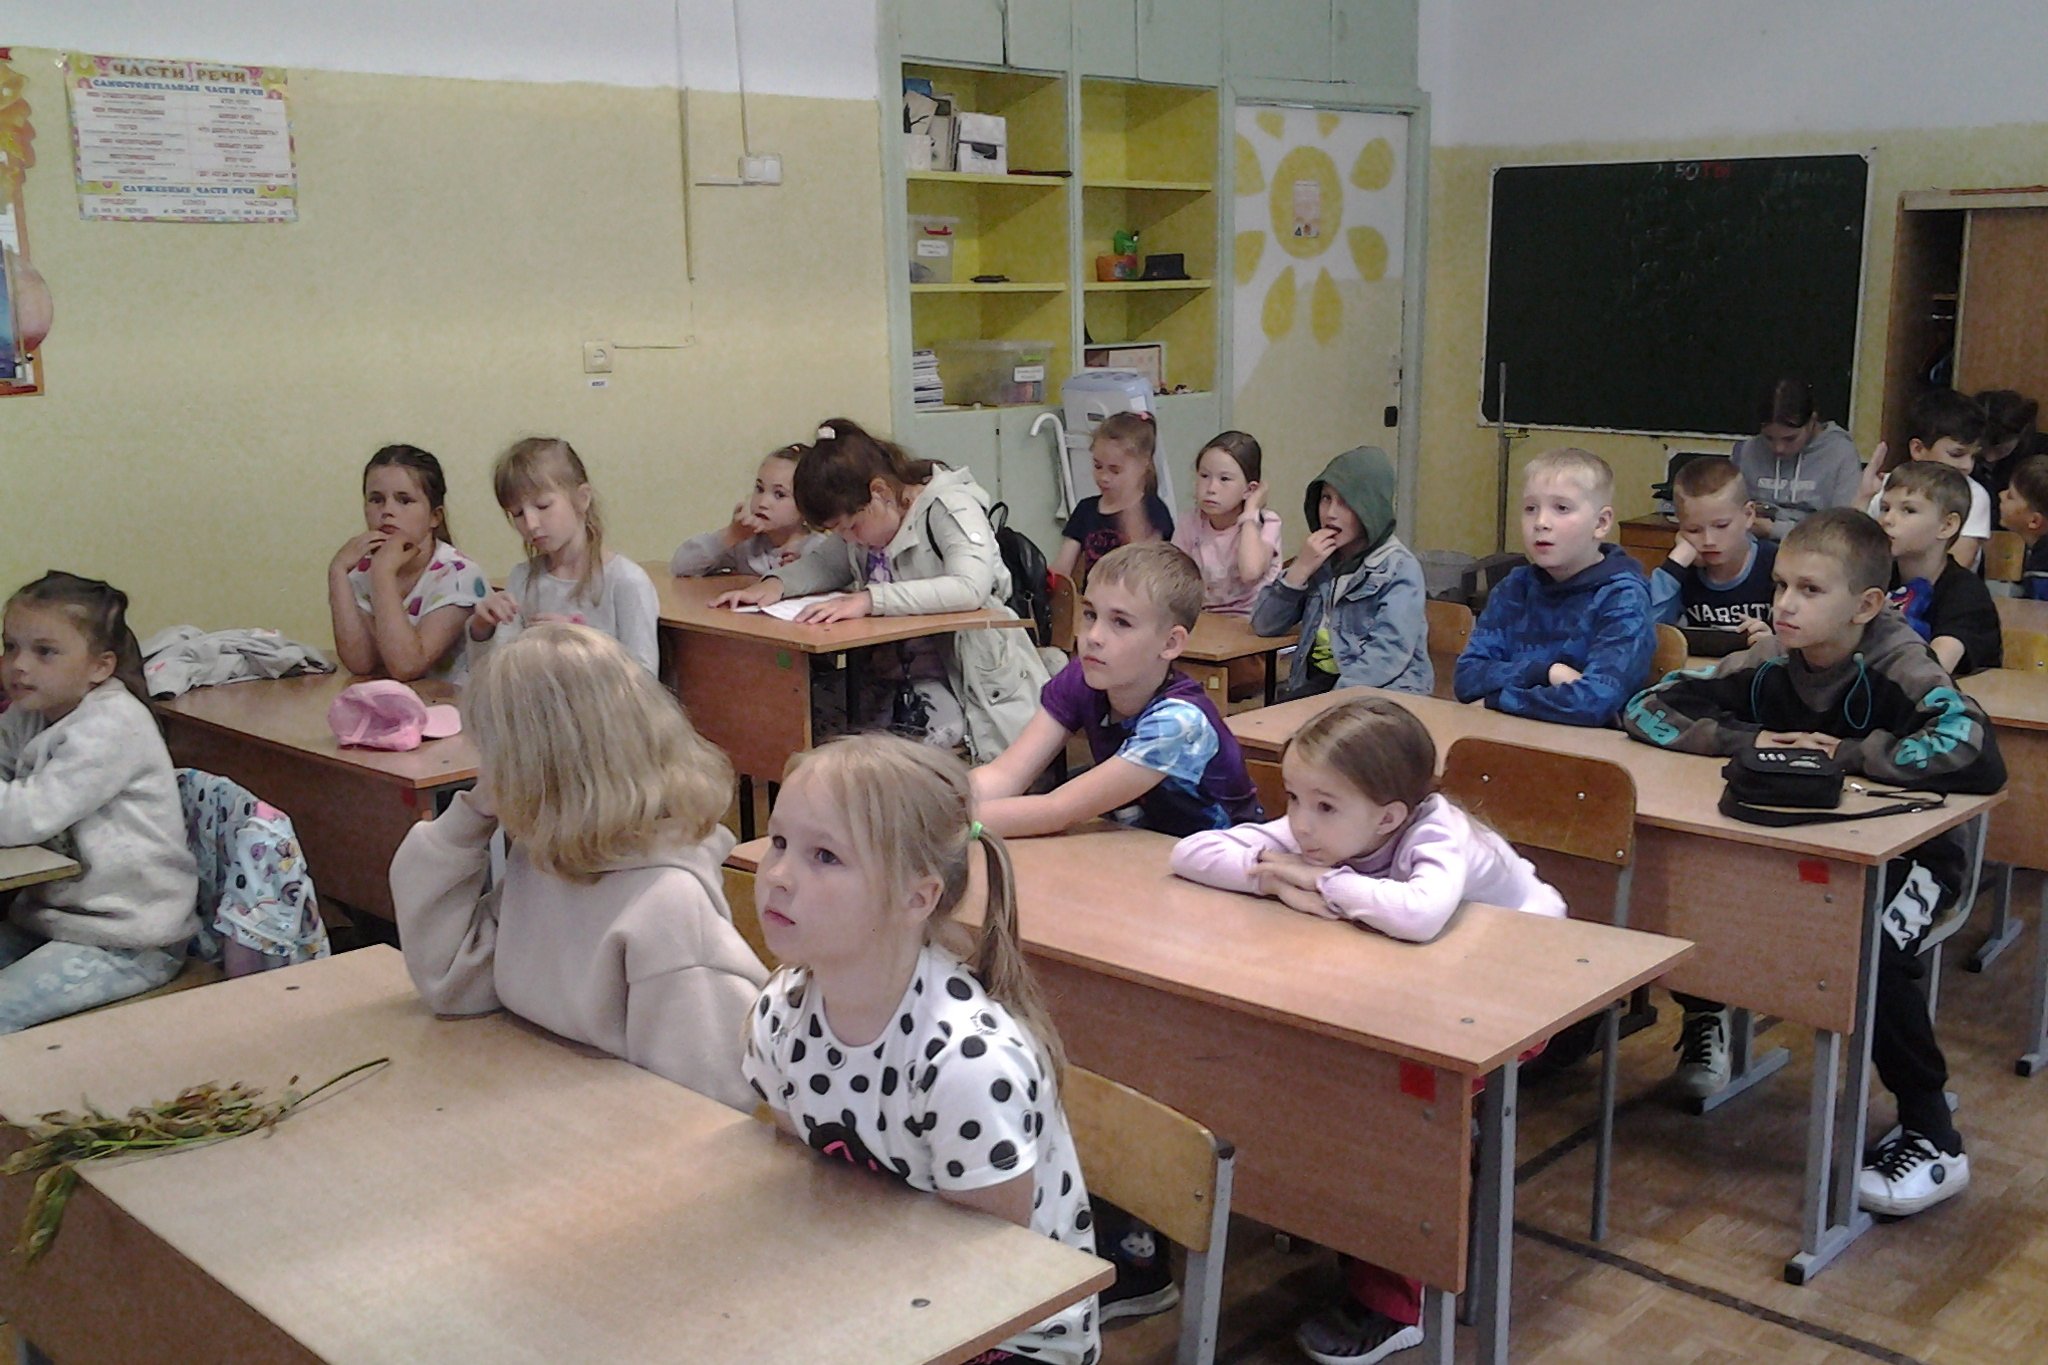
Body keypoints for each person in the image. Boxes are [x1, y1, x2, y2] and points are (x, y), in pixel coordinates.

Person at [1624, 508, 2003, 1214]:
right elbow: (1648, 705)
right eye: (1780, 586)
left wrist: (1851, 754)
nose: (1785, 606)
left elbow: (1976, 750)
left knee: (1871, 948)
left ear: (1865, 604)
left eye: (1809, 590)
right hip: (1806, 845)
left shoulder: (1900, 662)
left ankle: (1934, 1136)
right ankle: (1707, 1016)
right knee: (1699, 882)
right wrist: (1749, 739)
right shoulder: (1772, 659)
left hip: (1918, 859)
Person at [1170, 696, 1563, 1365]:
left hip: (1525, 985)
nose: (1300, 821)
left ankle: (1397, 1301)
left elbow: (1417, 914)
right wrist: (1275, 883)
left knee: (1399, 1108)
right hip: (1429, 981)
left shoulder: (1439, 831)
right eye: (1294, 798)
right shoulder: (1333, 821)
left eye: (1322, 806)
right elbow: (1192, 852)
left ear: (1389, 817)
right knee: (1324, 1068)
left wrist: (1320, 881)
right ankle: (1337, 1206)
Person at [742, 734, 1098, 1365]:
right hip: (869, 1278)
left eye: (824, 856)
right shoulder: (781, 1011)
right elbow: (812, 1183)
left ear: (918, 897)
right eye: (778, 842)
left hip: (1006, 1335)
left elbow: (989, 1263)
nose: (777, 875)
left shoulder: (966, 1064)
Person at [390, 624, 766, 1109]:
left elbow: (708, 1108)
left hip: (613, 1142)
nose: (483, 771)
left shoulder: (668, 911)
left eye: (493, 757)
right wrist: (470, 817)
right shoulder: (551, 858)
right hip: (544, 1110)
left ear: (538, 771)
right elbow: (452, 985)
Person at [712, 420, 1049, 762]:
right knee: (803, 715)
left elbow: (969, 587)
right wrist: (775, 585)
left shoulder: (949, 506)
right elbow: (825, 564)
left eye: (852, 527)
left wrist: (870, 599)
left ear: (880, 493)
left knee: (891, 751)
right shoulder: (864, 525)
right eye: (839, 533)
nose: (850, 539)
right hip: (895, 674)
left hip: (970, 679)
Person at [0, 572, 197, 1032]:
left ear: (100, 667)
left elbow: (23, 816)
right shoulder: (30, 713)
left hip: (126, 940)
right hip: (49, 921)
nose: (18, 665)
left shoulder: (111, 726)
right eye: (10, 646)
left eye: (44, 651)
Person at [972, 542, 1261, 839]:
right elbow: (1005, 774)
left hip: (1221, 861)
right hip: (1134, 848)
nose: (1093, 637)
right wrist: (946, 799)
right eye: (1090, 614)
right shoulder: (1084, 676)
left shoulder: (1180, 721)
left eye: (1121, 622)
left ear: (1170, 643)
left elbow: (1057, 809)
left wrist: (948, 821)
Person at [1454, 448, 1653, 725]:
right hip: (1508, 732)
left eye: (1561, 508)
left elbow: (1596, 702)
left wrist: (1497, 700)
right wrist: (1546, 672)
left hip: (1587, 746)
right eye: (1530, 508)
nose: (1541, 523)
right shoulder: (1514, 588)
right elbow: (1467, 678)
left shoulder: (1623, 598)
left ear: (1601, 523)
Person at [1253, 445, 1430, 698]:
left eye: (1345, 502)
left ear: (1370, 509)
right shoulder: (1319, 558)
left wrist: (1333, 701)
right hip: (1320, 684)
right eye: (1326, 498)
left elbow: (1387, 655)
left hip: (1382, 693)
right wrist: (1300, 570)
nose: (1330, 514)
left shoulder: (1399, 568)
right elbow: (1264, 625)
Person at [471, 437, 659, 673]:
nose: (531, 524)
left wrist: (579, 647)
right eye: (517, 513)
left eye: (543, 506)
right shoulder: (522, 578)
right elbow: (496, 675)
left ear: (582, 499)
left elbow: (644, 678)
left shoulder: (626, 581)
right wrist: (483, 630)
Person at [327, 444, 488, 683]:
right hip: (398, 701)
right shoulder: (361, 571)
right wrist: (337, 572)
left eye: (404, 500)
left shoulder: (458, 575)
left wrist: (383, 574)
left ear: (434, 516)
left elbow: (407, 666)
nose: (387, 511)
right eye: (376, 500)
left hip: (452, 701)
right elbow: (360, 663)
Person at [1879, 462, 2000, 676]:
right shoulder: (1877, 577)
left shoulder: (1966, 593)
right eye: (1885, 508)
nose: (1887, 519)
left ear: (1947, 526)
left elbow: (1931, 670)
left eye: (1908, 510)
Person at [1858, 388, 1993, 570]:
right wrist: (1864, 496)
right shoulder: (1887, 486)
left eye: (1974, 456)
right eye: (1956, 454)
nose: (1967, 465)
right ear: (1918, 449)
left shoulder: (1974, 494)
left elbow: (1958, 563)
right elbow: (1848, 556)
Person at [1647, 456, 1775, 645]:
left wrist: (1776, 644)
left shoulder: (1776, 564)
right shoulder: (1680, 573)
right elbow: (1644, 632)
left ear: (1748, 515)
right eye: (1693, 530)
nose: (1709, 541)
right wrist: (1675, 565)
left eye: (1721, 526)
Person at [1730, 378, 1863, 540]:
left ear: (1812, 422)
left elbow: (1843, 530)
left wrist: (1774, 530)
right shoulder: (1748, 451)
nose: (1778, 448)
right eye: (1769, 438)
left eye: (1790, 439)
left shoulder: (1841, 453)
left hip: (1814, 547)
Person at [1050, 411, 1174, 585]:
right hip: (1092, 600)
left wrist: (1133, 517)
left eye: (1115, 470)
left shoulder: (1154, 511)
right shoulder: (1086, 510)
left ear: (1143, 464)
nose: (1103, 477)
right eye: (1097, 466)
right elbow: (1062, 569)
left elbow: (1147, 575)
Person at [670, 444, 829, 577]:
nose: (763, 503)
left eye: (779, 494)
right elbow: (681, 567)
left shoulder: (819, 548)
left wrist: (803, 573)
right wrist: (730, 535)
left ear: (807, 503)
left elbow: (837, 589)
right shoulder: (745, 544)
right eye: (759, 489)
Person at [1172, 430, 1282, 615]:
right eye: (1204, 476)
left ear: (1249, 489)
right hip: (1204, 618)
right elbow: (1175, 579)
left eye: (1224, 479)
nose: (1211, 488)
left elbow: (1250, 572)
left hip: (1252, 619)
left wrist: (1251, 510)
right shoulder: (1189, 522)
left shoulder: (1267, 523)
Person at [1997, 453, 2048, 600]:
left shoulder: (2042, 572)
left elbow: (2037, 610)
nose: (2001, 494)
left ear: (2034, 521)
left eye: (2010, 496)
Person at [1974, 388, 2039, 500]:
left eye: (2001, 450)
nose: (1989, 458)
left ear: (2022, 436)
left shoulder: (2037, 459)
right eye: (1982, 447)